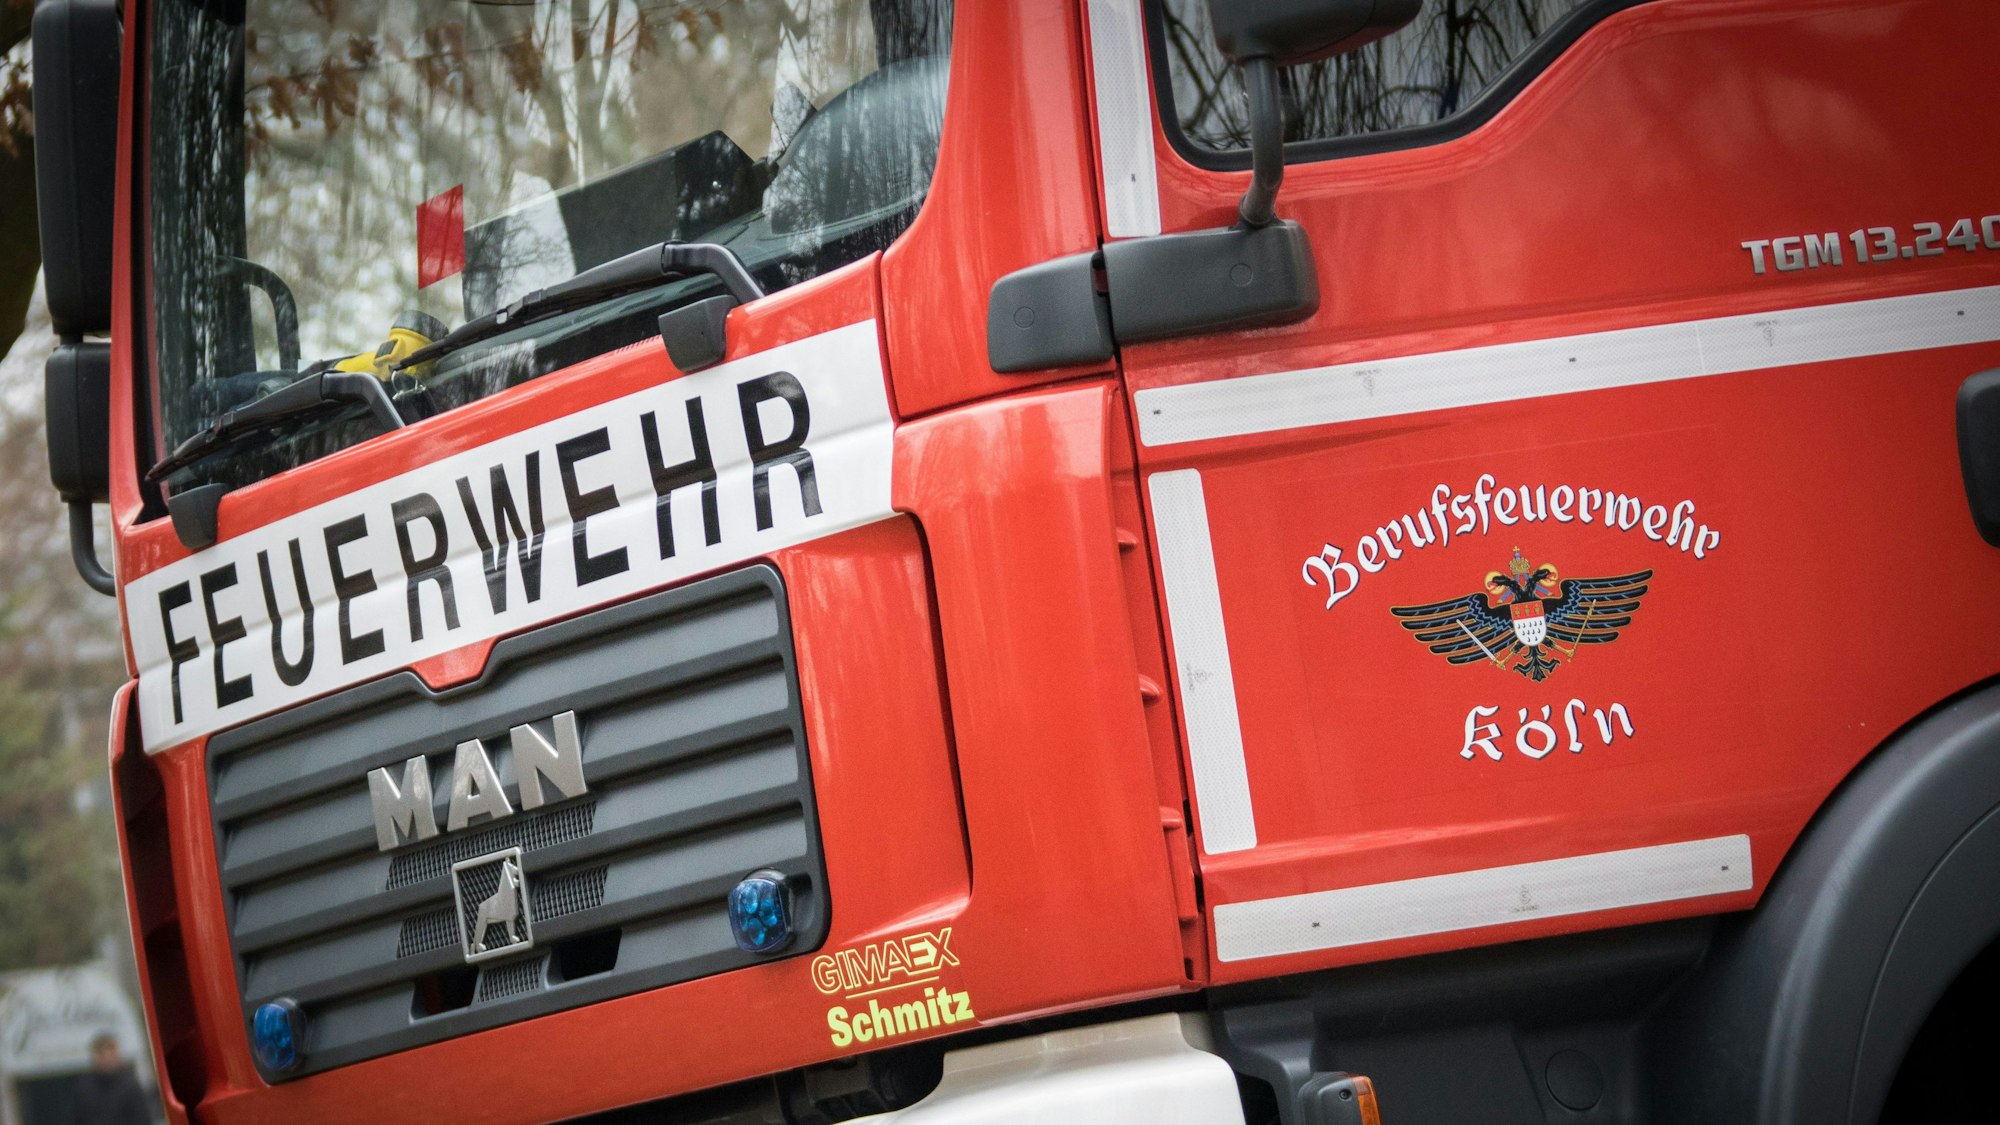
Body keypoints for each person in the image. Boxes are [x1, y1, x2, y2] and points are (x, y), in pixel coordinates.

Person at [68, 1033, 153, 1125]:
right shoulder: (84, 1086)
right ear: (94, 1056)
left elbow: (142, 1118)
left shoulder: (130, 1085)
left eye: (111, 1052)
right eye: (101, 1053)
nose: (107, 1058)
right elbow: (78, 1117)